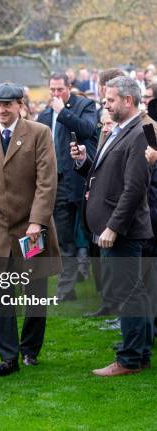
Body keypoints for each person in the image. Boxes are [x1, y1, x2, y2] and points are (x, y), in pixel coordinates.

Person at [0, 83, 62, 376]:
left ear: (20, 104)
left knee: (35, 290)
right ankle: (8, 356)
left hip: (31, 227)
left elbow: (47, 182)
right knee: (0, 292)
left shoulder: (39, 133)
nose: (1, 110)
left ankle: (30, 350)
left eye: (6, 105)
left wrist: (37, 221)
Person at [71, 76, 154, 376]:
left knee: (127, 293)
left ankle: (130, 359)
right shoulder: (121, 129)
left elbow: (134, 189)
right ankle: (140, 354)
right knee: (134, 291)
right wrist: (83, 163)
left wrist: (113, 228)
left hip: (122, 229)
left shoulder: (142, 131)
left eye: (110, 100)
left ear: (128, 101)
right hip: (113, 225)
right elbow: (105, 174)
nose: (105, 105)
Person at [37, 72, 98, 302]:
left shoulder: (84, 105)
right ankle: (66, 289)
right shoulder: (44, 114)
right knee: (64, 239)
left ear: (69, 87)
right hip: (57, 182)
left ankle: (105, 289)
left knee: (92, 236)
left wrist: (63, 112)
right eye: (52, 90)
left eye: (59, 89)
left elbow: (88, 130)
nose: (55, 94)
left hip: (82, 180)